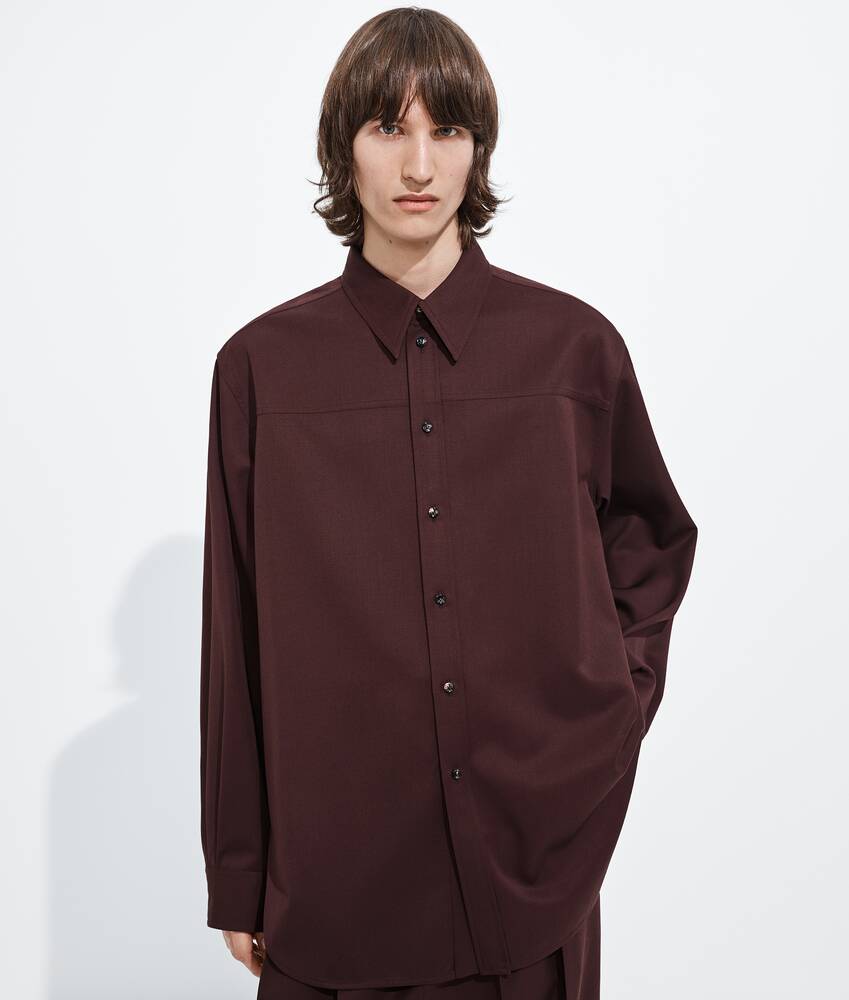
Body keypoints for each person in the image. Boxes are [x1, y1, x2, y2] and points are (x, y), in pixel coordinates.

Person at [199, 7, 698, 1000]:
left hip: (534, 878)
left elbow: (650, 542)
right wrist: (238, 873)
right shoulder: (261, 371)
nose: (419, 164)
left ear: (479, 149)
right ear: (344, 150)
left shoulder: (573, 351)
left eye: (449, 129)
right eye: (389, 128)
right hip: (335, 888)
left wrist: (612, 711)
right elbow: (233, 633)